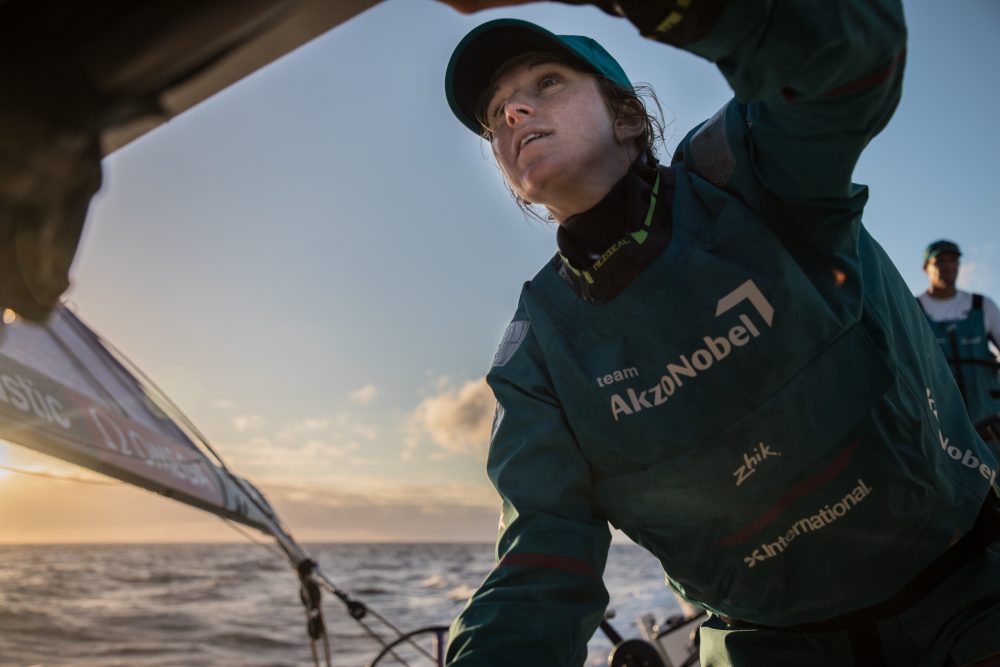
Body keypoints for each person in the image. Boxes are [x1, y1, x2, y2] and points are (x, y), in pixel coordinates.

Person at [438, 1, 1000, 665]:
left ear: (627, 116)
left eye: (546, 84)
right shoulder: (539, 354)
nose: (512, 112)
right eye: (494, 112)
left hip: (969, 589)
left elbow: (853, 54)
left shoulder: (751, 173)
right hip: (765, 644)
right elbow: (540, 563)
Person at [917, 240, 1000, 444]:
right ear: (926, 268)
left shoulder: (982, 305)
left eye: (953, 261)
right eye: (940, 261)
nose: (947, 267)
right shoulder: (913, 310)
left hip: (988, 422)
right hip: (936, 427)